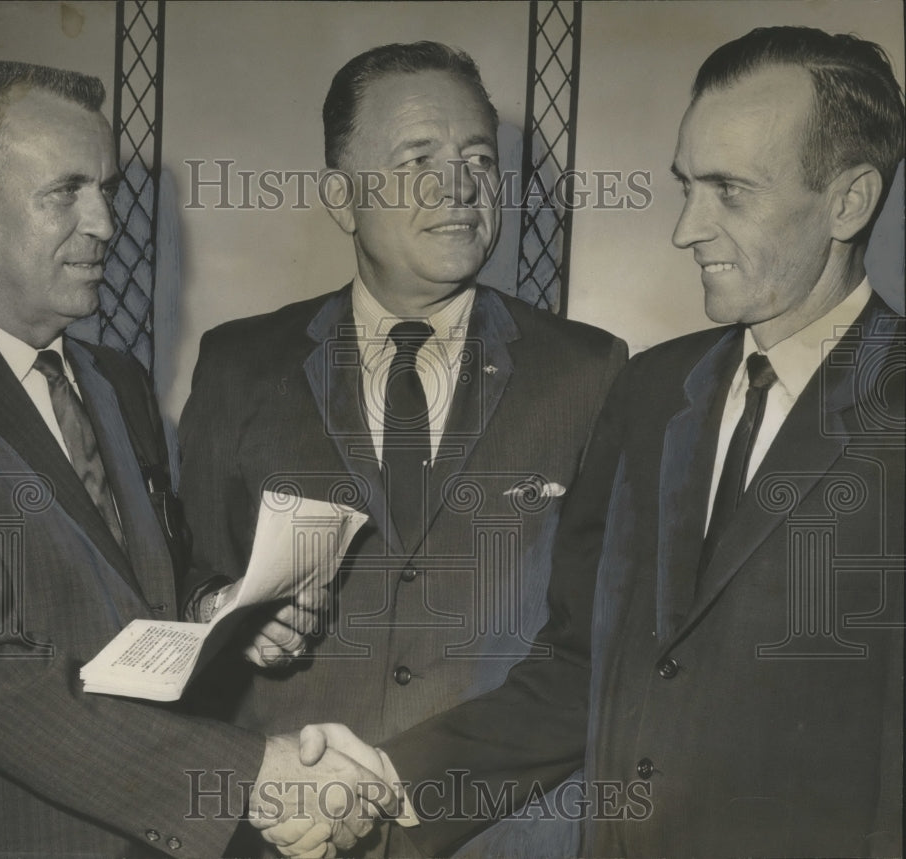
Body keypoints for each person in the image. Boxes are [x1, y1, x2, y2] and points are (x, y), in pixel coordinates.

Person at [313, 26, 905, 858]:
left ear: (849, 200)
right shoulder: (652, 391)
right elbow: (578, 666)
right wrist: (384, 782)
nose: (686, 229)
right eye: (685, 186)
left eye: (730, 190)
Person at [0, 61, 394, 859]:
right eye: (65, 191)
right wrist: (250, 777)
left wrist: (224, 610)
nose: (104, 221)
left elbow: (140, 584)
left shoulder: (114, 381)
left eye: (106, 187)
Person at [177, 41, 627, 856]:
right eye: (419, 158)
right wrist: (222, 612)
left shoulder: (590, 370)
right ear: (342, 197)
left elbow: (596, 647)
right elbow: (179, 571)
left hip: (499, 833)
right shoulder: (239, 363)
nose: (460, 185)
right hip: (284, 834)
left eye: (479, 158)